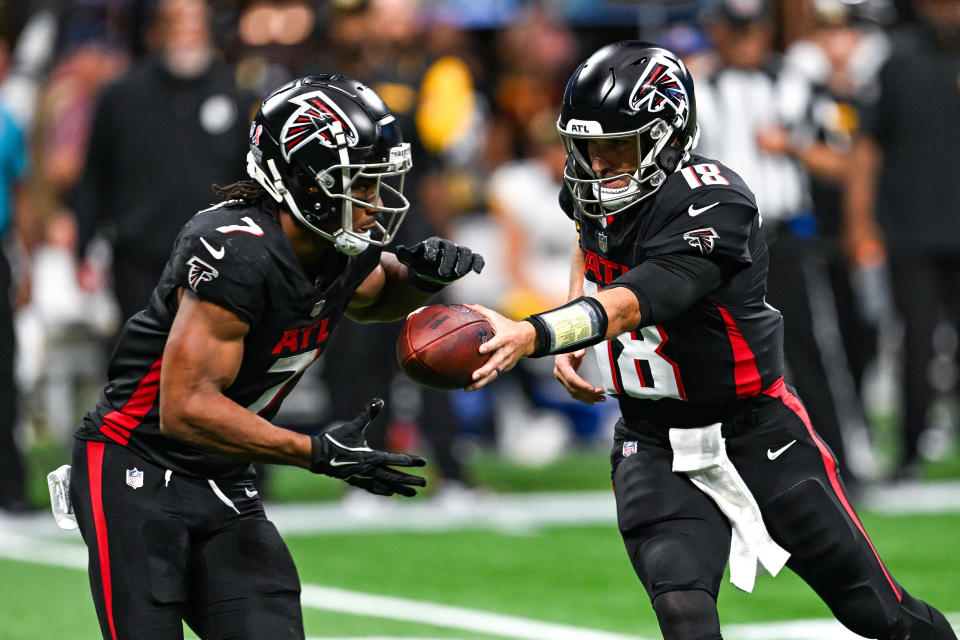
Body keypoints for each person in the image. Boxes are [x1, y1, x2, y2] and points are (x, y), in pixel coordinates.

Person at [465, 41, 955, 640]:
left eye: (616, 147)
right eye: (587, 148)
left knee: (879, 613)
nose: (597, 165)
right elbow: (589, 239)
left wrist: (540, 332)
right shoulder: (598, 189)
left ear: (667, 136)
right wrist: (575, 318)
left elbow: (636, 299)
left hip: (758, 432)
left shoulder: (714, 202)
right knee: (684, 611)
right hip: (651, 440)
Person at [66, 74, 483, 639]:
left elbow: (375, 297)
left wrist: (423, 281)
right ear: (302, 182)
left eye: (377, 183)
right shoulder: (236, 248)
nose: (374, 202)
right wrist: (315, 451)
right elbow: (185, 407)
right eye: (356, 184)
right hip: (135, 459)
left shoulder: (336, 244)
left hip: (219, 469)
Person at [72, 0, 255, 322]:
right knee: (147, 358)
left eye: (195, 24)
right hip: (139, 257)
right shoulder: (123, 95)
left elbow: (250, 176)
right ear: (156, 32)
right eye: (176, 23)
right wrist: (83, 247)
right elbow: (96, 173)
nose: (187, 34)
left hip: (217, 256)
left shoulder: (233, 93)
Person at [848, 0, 960, 480]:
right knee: (915, 344)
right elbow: (866, 145)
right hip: (910, 230)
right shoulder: (896, 61)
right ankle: (911, 451)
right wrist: (859, 220)